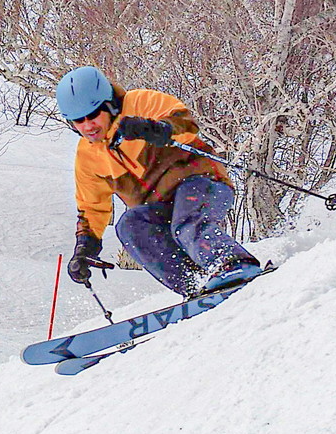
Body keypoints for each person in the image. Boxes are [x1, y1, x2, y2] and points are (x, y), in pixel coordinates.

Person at [56, 65, 260, 297]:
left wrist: (156, 129)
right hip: (160, 209)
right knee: (129, 226)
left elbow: (186, 123)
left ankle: (233, 264)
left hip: (200, 183)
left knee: (187, 222)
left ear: (109, 105)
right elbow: (91, 207)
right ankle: (196, 285)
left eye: (93, 115)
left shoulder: (140, 103)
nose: (87, 126)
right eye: (78, 121)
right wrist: (85, 248)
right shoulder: (88, 157)